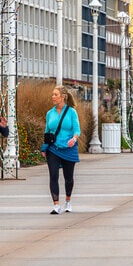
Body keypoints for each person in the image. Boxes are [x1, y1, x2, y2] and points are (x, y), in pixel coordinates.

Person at [42, 85, 81, 214]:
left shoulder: (71, 112)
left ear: (63, 96)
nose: (53, 97)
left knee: (68, 177)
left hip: (69, 148)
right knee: (53, 175)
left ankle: (68, 201)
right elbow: (47, 131)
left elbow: (77, 130)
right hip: (53, 148)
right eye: (52, 94)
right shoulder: (49, 113)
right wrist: (44, 147)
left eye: (55, 94)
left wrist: (74, 139)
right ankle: (56, 205)